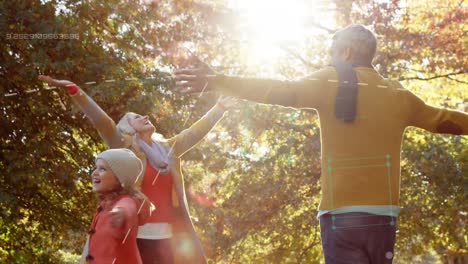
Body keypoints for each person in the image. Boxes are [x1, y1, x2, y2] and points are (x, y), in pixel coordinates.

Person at [174, 24, 468, 264]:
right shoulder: (398, 94)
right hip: (382, 217)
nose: (330, 60)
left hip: (340, 216)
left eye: (333, 53)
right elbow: (443, 119)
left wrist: (219, 80)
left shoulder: (330, 81)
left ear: (347, 51)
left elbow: (278, 90)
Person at [39, 75, 237, 264]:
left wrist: (219, 108)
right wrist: (75, 90)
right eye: (135, 117)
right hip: (132, 235)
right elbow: (103, 123)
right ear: (127, 128)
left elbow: (193, 133)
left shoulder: (168, 149)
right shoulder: (124, 148)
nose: (145, 117)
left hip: (167, 237)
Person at [83, 148, 152, 263]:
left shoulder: (126, 201)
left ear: (120, 179)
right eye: (96, 167)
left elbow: (128, 207)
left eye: (103, 169)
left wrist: (121, 212)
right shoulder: (105, 205)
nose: (94, 173)